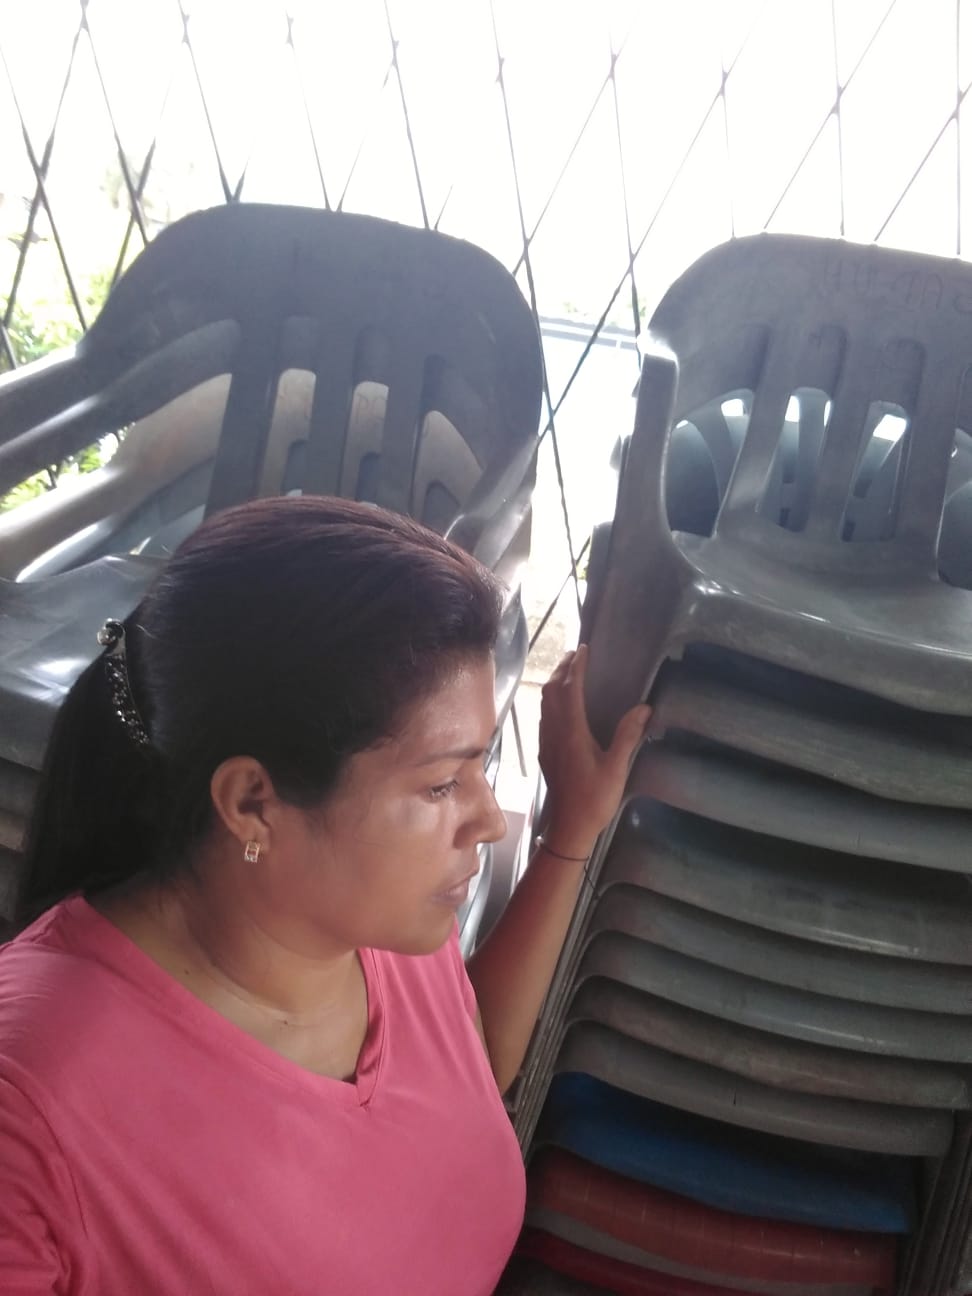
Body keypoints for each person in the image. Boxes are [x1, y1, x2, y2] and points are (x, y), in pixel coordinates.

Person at [0, 495, 649, 1296]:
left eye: (480, 767)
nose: (486, 820)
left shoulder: (373, 913)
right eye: (442, 784)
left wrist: (570, 833)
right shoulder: (27, 1115)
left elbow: (464, 1065)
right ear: (253, 804)